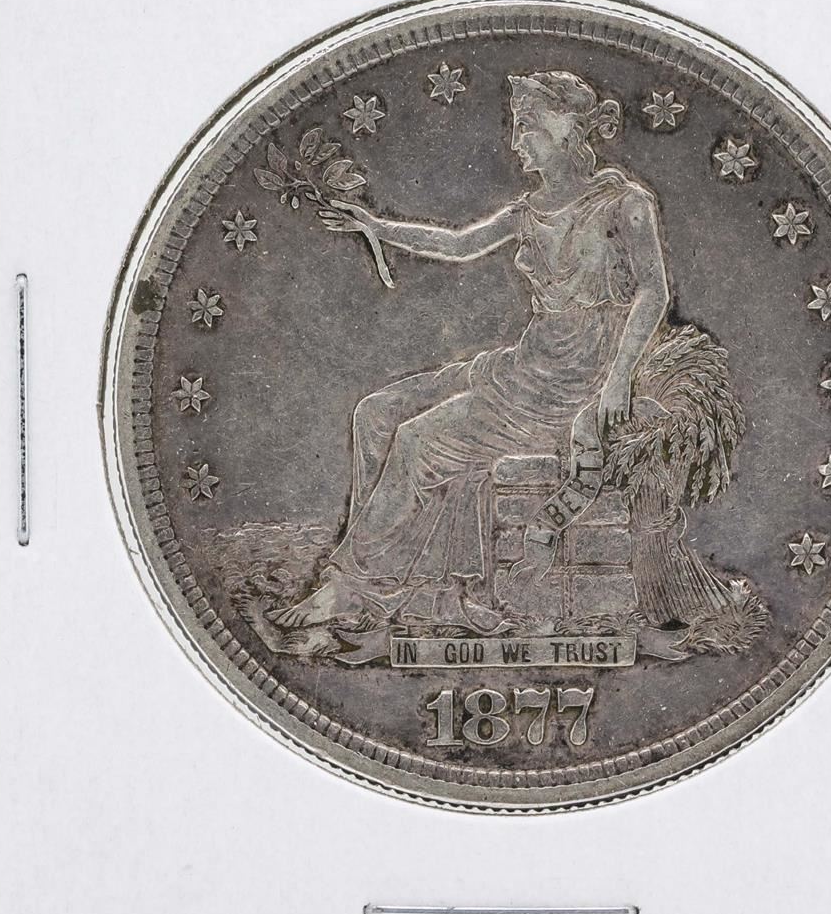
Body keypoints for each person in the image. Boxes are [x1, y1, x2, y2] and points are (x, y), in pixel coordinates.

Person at [271, 70, 670, 630]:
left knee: (417, 441)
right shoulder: (527, 213)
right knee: (376, 413)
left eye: (528, 127)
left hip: (568, 388)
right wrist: (376, 227)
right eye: (517, 127)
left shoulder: (626, 204)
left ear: (568, 129)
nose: (516, 141)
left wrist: (619, 379)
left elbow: (654, 291)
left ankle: (351, 587)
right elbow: (458, 244)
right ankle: (414, 593)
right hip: (521, 370)